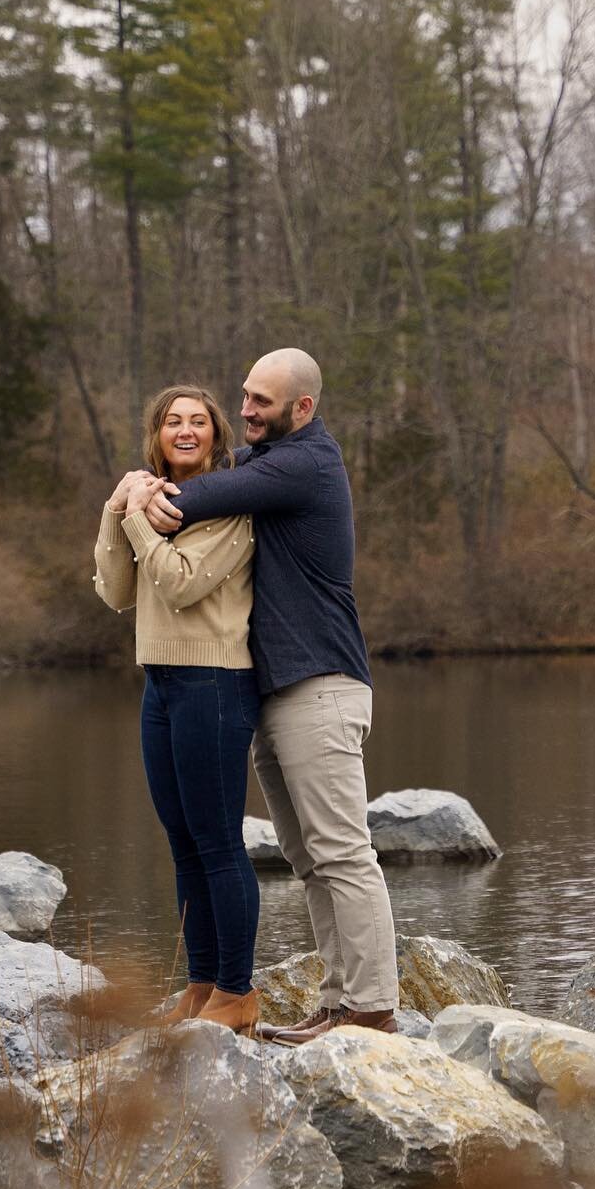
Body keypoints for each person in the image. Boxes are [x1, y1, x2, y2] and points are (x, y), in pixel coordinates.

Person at [141, 348, 399, 1043]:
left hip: (321, 685)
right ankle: (339, 1001)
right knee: (309, 856)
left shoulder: (305, 462)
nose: (245, 410)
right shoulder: (263, 464)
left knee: (342, 852)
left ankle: (372, 1008)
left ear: (302, 410)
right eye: (246, 395)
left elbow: (191, 498)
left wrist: (137, 491)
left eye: (261, 402)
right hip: (277, 692)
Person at [93, 383, 262, 1036]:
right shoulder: (147, 502)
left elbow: (182, 582)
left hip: (215, 683)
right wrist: (116, 511)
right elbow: (115, 591)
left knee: (219, 842)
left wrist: (138, 515)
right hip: (161, 685)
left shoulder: (230, 508)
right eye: (172, 422)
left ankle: (238, 993)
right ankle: (200, 984)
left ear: (217, 436)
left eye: (198, 421)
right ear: (156, 436)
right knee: (183, 842)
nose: (185, 430)